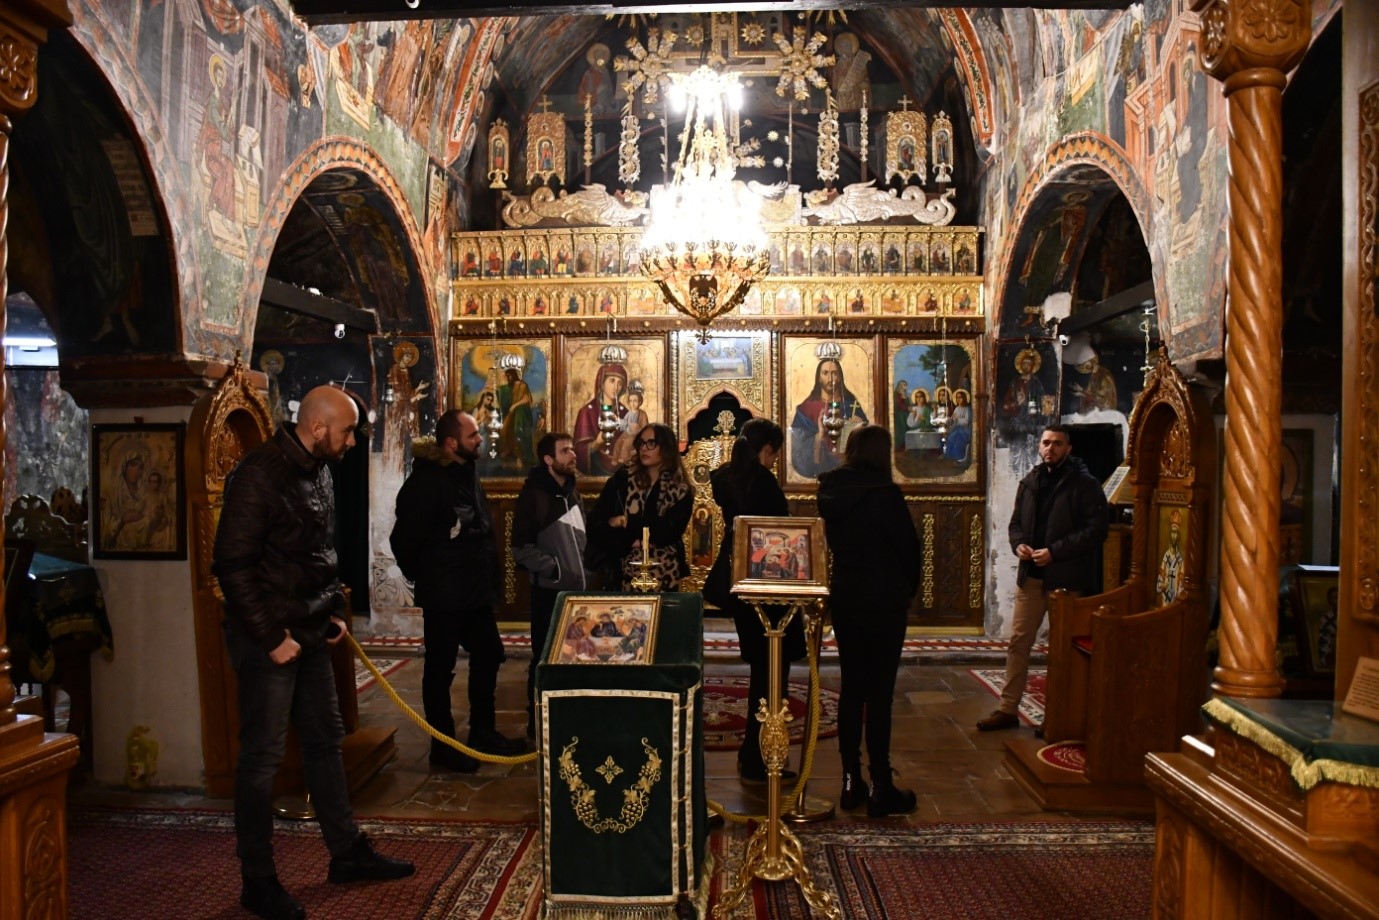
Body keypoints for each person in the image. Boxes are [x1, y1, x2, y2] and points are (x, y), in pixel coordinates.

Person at [213, 385, 414, 920]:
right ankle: (258, 880)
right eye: (346, 432)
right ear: (318, 427)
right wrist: (270, 637)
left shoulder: (321, 470)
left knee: (325, 742)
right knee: (262, 759)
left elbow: (319, 552)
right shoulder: (258, 475)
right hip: (270, 640)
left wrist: (333, 612)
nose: (351, 442)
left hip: (310, 629)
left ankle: (346, 853)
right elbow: (231, 565)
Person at [390, 410, 526, 774]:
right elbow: (404, 540)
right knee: (440, 668)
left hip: (473, 591)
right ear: (451, 443)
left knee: (489, 653)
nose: (480, 439)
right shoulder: (427, 482)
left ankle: (482, 731)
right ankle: (444, 746)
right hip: (445, 595)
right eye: (473, 435)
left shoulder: (467, 473)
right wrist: (430, 575)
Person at [817, 425, 921, 817]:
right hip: (884, 601)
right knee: (879, 694)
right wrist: (905, 590)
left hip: (847, 597)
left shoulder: (831, 492)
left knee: (851, 689)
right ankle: (880, 785)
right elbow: (909, 550)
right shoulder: (885, 494)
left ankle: (849, 781)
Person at [978, 424, 1108, 732]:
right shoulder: (1030, 481)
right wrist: (1019, 545)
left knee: (1062, 650)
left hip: (1066, 581)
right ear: (1039, 446)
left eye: (1057, 443)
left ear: (1068, 449)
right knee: (1018, 643)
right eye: (1046, 443)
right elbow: (1015, 525)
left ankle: (1059, 716)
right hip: (1031, 579)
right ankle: (1008, 709)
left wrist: (1055, 552)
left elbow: (1096, 530)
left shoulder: (1084, 484)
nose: (1050, 448)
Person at [703, 419, 805, 784]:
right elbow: (780, 535)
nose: (775, 461)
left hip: (742, 584)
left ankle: (753, 753)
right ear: (766, 450)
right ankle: (761, 758)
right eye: (775, 454)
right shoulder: (762, 483)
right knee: (771, 673)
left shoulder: (728, 479)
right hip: (769, 587)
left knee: (762, 669)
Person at [511, 432, 589, 739]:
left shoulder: (573, 493)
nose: (573, 454)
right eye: (565, 450)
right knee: (545, 658)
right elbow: (521, 549)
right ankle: (538, 722)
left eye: (572, 449)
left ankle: (570, 718)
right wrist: (556, 570)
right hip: (549, 593)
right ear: (548, 459)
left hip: (579, 592)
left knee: (577, 657)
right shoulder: (533, 496)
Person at [587, 423, 694, 591]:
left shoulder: (680, 488)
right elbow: (595, 523)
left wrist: (624, 522)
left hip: (666, 571)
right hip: (621, 570)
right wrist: (629, 542)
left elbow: (667, 532)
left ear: (666, 447)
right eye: (641, 443)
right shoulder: (621, 480)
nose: (644, 448)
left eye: (651, 443)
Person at [790, 357, 869, 479]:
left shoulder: (851, 405)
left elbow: (867, 442)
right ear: (818, 377)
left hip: (848, 474)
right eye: (825, 373)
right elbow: (799, 446)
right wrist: (819, 436)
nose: (830, 379)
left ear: (840, 377)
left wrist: (851, 430)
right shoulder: (806, 408)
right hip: (819, 471)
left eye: (834, 373)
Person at [573, 361, 628, 475]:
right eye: (612, 381)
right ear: (602, 383)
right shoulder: (587, 412)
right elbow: (578, 452)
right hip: (595, 470)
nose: (616, 387)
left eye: (620, 383)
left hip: (621, 472)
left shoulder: (625, 412)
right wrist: (597, 443)